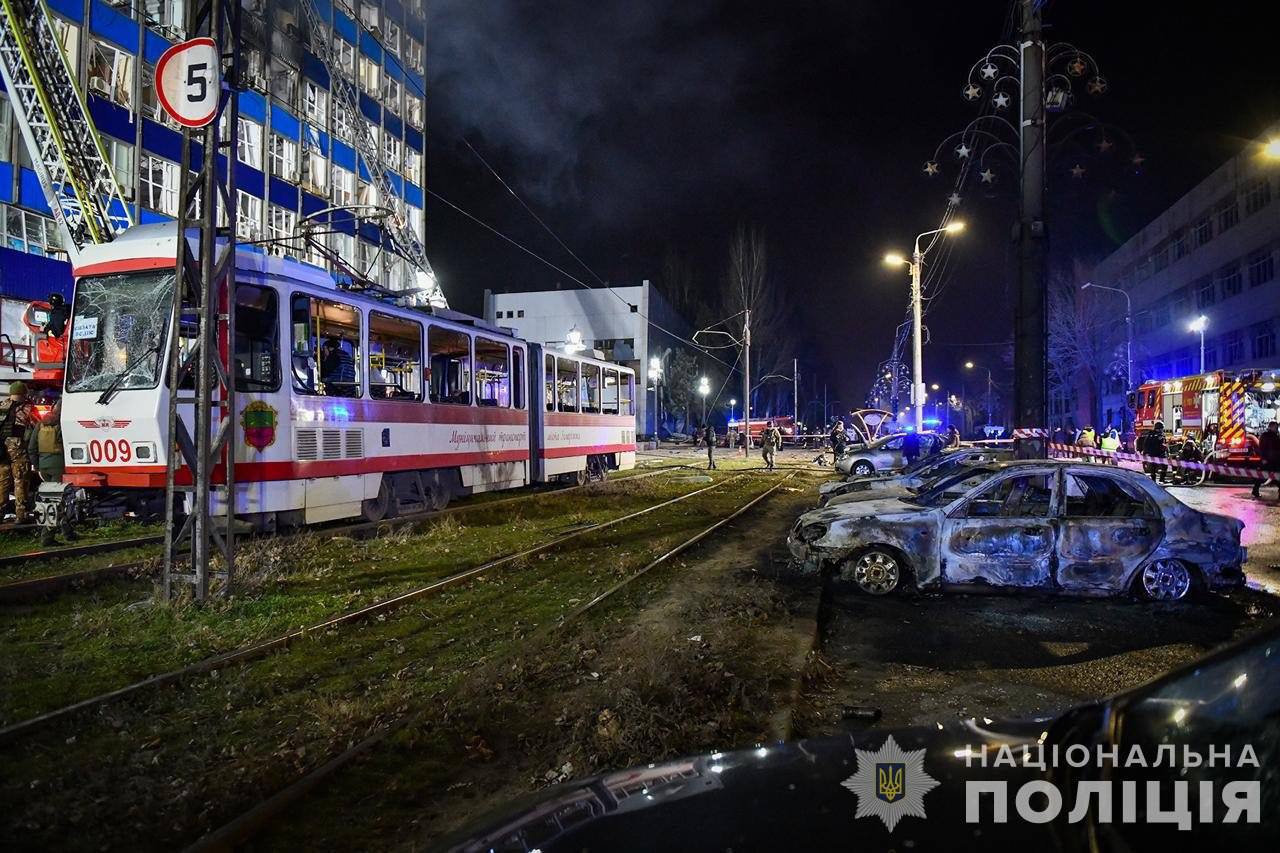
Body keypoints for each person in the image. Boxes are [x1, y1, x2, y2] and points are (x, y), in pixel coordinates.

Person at [0, 381, 35, 524]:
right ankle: (21, 514)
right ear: (24, 393)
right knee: (20, 480)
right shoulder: (28, 408)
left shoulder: (2, 405)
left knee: (2, 481)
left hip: (1, 447)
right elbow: (35, 425)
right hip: (18, 446)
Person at [1252, 422, 1280, 499]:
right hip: (1270, 459)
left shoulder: (1270, 436)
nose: (1277, 429)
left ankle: (1255, 490)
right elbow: (1263, 447)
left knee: (1265, 475)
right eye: (1276, 427)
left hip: (1271, 459)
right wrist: (1264, 458)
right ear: (1271, 427)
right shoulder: (1269, 436)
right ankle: (1255, 490)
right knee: (1269, 475)